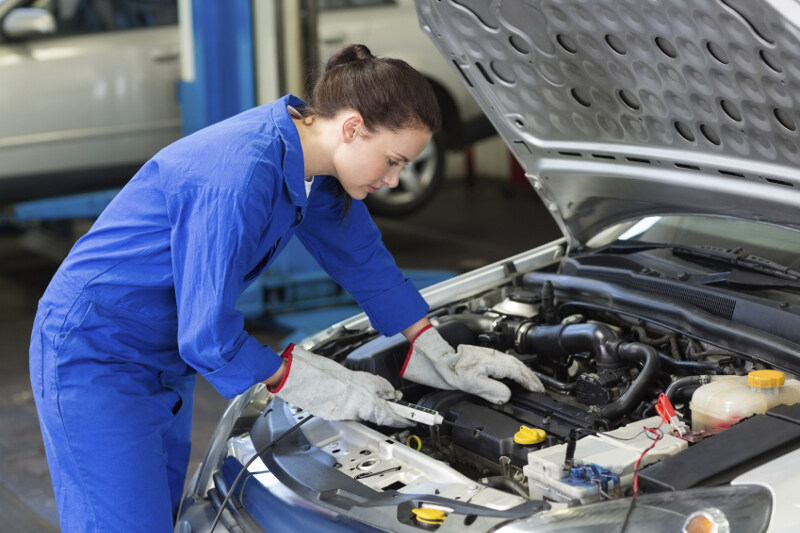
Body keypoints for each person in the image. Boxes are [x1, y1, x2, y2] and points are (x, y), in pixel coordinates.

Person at [29, 44, 544, 532]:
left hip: (160, 356)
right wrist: (305, 381)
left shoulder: (309, 165)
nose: (394, 180)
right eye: (393, 161)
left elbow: (363, 258)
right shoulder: (242, 173)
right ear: (353, 127)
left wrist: (432, 344)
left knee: (158, 516)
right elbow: (207, 336)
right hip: (96, 353)